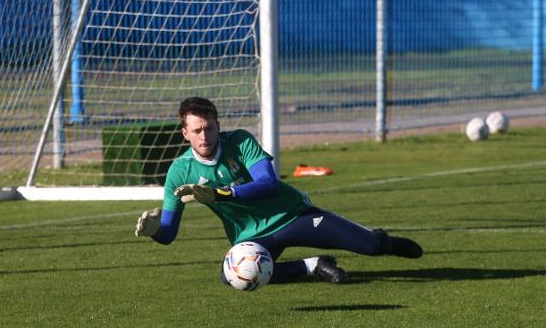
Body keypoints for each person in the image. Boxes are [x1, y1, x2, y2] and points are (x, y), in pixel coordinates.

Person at [135, 97, 423, 285]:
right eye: (196, 131)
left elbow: (268, 184)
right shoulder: (178, 172)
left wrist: (224, 194)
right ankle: (314, 266)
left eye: (209, 128)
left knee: (371, 248)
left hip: (292, 215)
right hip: (252, 236)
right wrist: (155, 232)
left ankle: (383, 240)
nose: (204, 136)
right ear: (185, 133)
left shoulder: (240, 142)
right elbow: (169, 233)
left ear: (218, 125)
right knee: (232, 275)